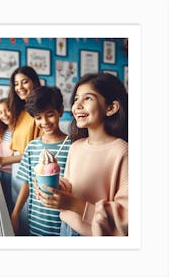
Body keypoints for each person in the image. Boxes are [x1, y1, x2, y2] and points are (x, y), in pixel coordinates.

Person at [36, 73, 128, 236]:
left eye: (88, 99)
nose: (77, 105)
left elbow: (127, 216)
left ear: (111, 107)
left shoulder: (122, 152)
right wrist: (56, 188)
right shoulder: (76, 146)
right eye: (76, 99)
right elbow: (71, 184)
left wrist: (75, 205)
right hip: (65, 228)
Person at [0, 66, 42, 235]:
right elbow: (15, 148)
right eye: (16, 83)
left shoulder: (38, 114)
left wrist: (1, 161)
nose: (20, 87)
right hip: (17, 176)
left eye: (25, 82)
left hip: (29, 181)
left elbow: (34, 157)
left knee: (27, 229)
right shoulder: (21, 113)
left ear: (34, 82)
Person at [11, 86, 71, 236]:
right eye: (38, 117)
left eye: (50, 114)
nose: (44, 122)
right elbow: (26, 183)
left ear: (61, 111)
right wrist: (15, 213)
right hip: (36, 222)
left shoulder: (73, 146)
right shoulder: (32, 146)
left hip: (64, 225)